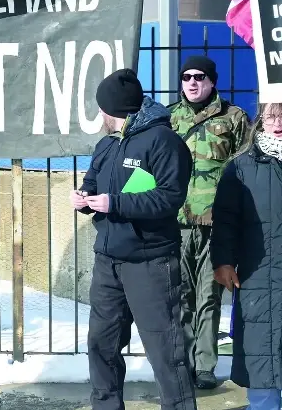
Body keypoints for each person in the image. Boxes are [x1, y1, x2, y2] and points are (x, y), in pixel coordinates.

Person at [69, 69, 197, 410]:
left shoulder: (163, 141)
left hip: (150, 262)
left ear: (114, 110)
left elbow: (170, 197)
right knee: (101, 344)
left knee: (165, 351)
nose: (100, 117)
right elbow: (93, 184)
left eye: (102, 110)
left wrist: (116, 202)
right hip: (108, 260)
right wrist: (83, 198)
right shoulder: (106, 144)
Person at [168, 55, 249, 389]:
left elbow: (246, 168)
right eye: (186, 77)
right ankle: (183, 363)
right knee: (180, 296)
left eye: (199, 77)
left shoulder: (233, 118)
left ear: (212, 81)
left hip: (216, 223)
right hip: (177, 222)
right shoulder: (169, 117)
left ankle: (204, 366)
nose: (192, 82)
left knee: (209, 297)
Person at [211, 102, 282, 410]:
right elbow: (226, 219)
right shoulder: (241, 166)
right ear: (261, 119)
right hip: (258, 276)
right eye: (272, 115)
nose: (278, 123)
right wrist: (223, 261)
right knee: (262, 361)